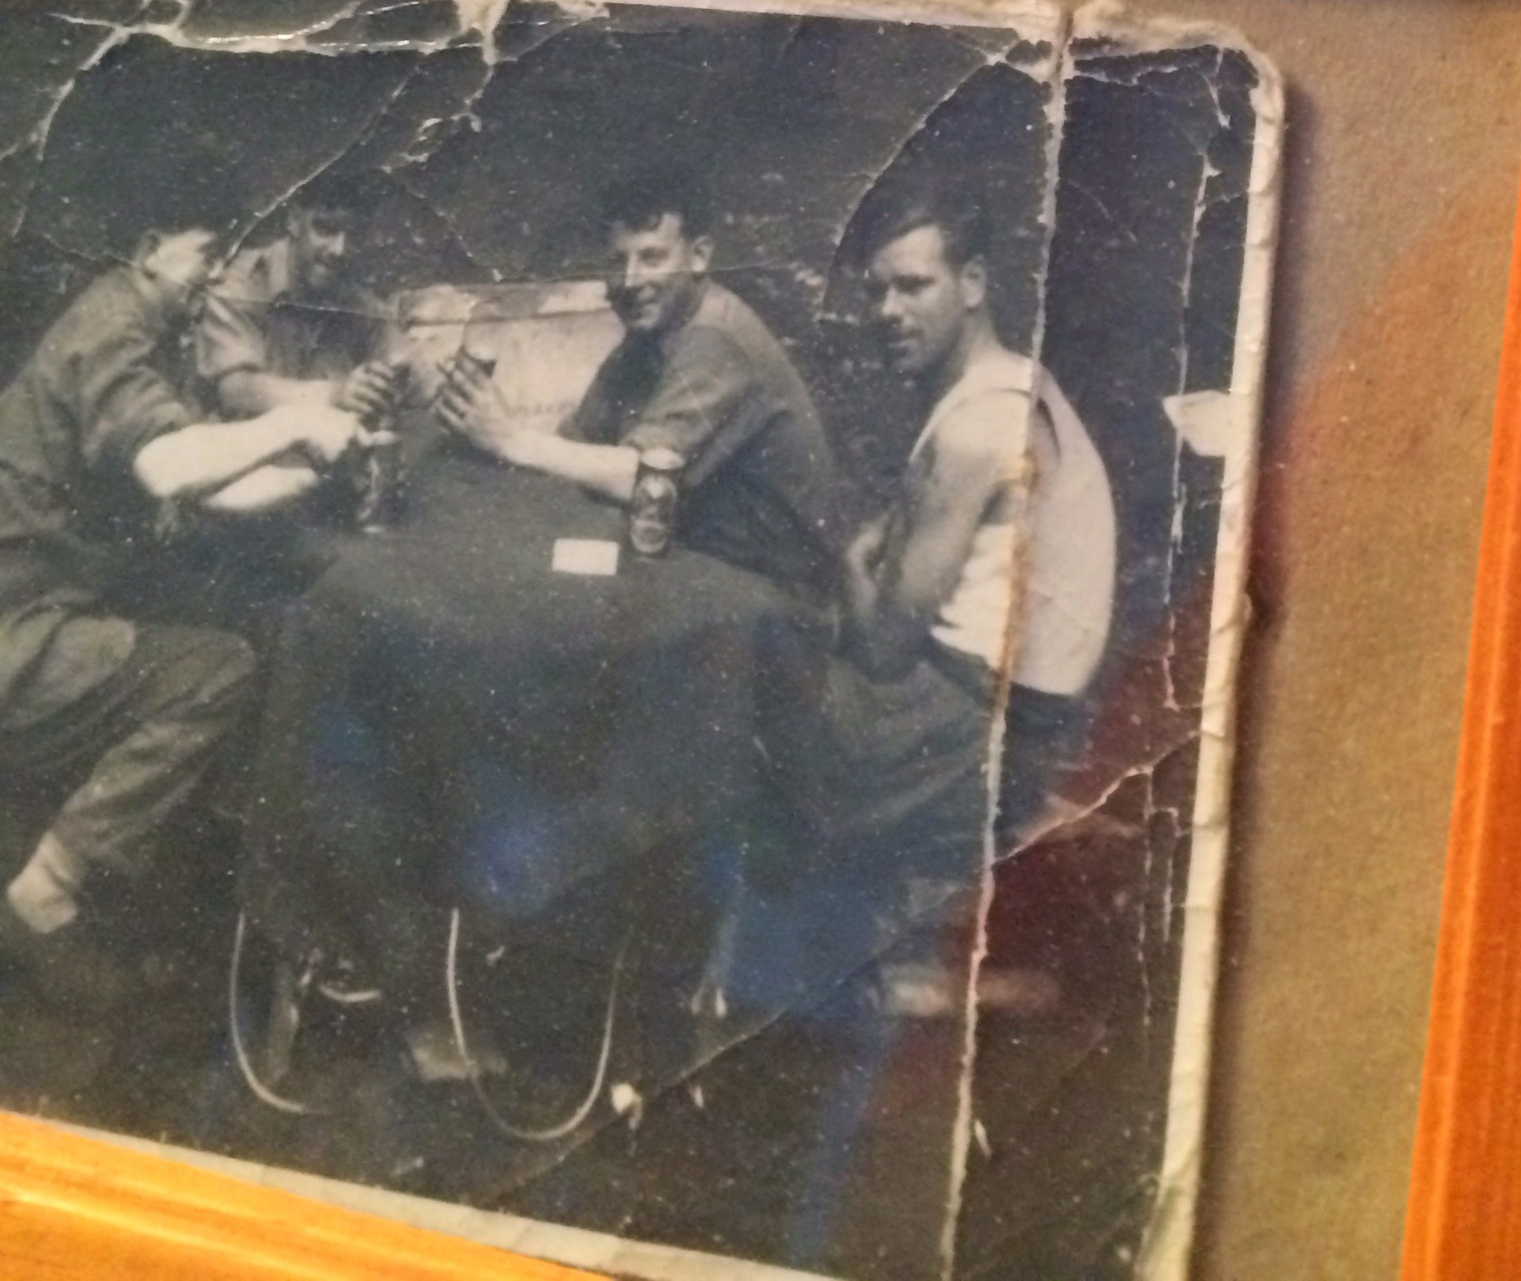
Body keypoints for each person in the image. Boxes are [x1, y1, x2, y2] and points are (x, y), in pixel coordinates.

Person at [0, 206, 362, 997]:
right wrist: (296, 420)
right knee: (217, 670)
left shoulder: (144, 328)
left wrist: (319, 469)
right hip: (17, 636)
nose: (218, 275)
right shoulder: (111, 332)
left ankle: (136, 892)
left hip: (35, 608)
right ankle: (43, 893)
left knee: (209, 620)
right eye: (208, 255)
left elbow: (207, 485)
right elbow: (170, 468)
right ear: (147, 249)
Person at [819, 177, 1116, 874]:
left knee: (755, 733)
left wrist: (849, 562)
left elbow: (885, 649)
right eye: (876, 291)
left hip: (990, 714)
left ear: (973, 283)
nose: (887, 312)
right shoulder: (1010, 380)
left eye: (913, 287)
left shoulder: (974, 429)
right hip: (1018, 691)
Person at [432, 168, 835, 597]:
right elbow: (576, 440)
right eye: (616, 262)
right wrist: (483, 414)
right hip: (696, 551)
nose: (629, 281)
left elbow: (640, 480)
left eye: (652, 258)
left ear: (699, 257)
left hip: (771, 585)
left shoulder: (714, 338)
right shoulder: (652, 331)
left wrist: (509, 438)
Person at [194, 167, 404, 423]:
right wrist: (336, 394)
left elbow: (405, 363)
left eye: (354, 236)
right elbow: (237, 391)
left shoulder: (356, 298)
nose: (338, 250)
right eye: (325, 229)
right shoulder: (242, 286)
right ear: (293, 221)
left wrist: (393, 375)